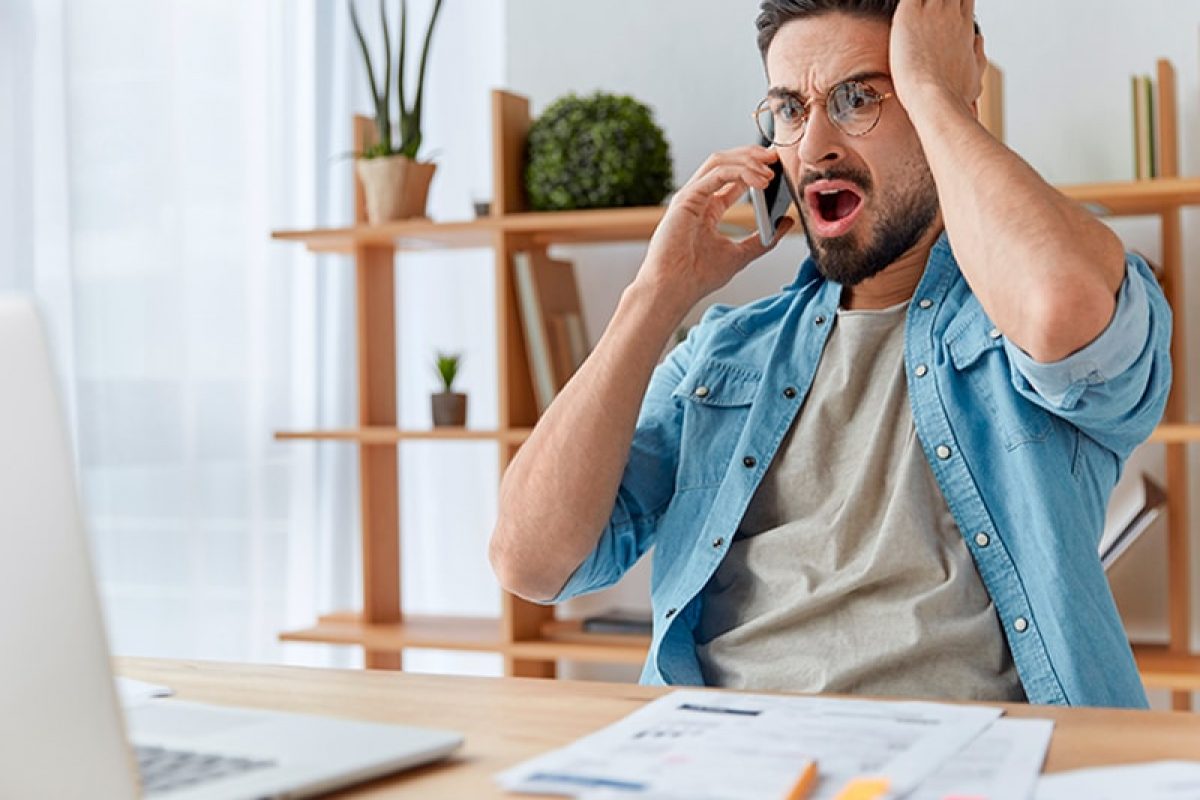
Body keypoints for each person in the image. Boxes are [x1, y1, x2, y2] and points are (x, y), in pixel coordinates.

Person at [489, 0, 1171, 708]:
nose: (813, 148)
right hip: (724, 757)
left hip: (963, 764)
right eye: (789, 109)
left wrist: (939, 91)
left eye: (858, 98)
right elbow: (528, 561)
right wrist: (654, 298)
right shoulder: (726, 351)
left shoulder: (1025, 315)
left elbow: (1065, 304)